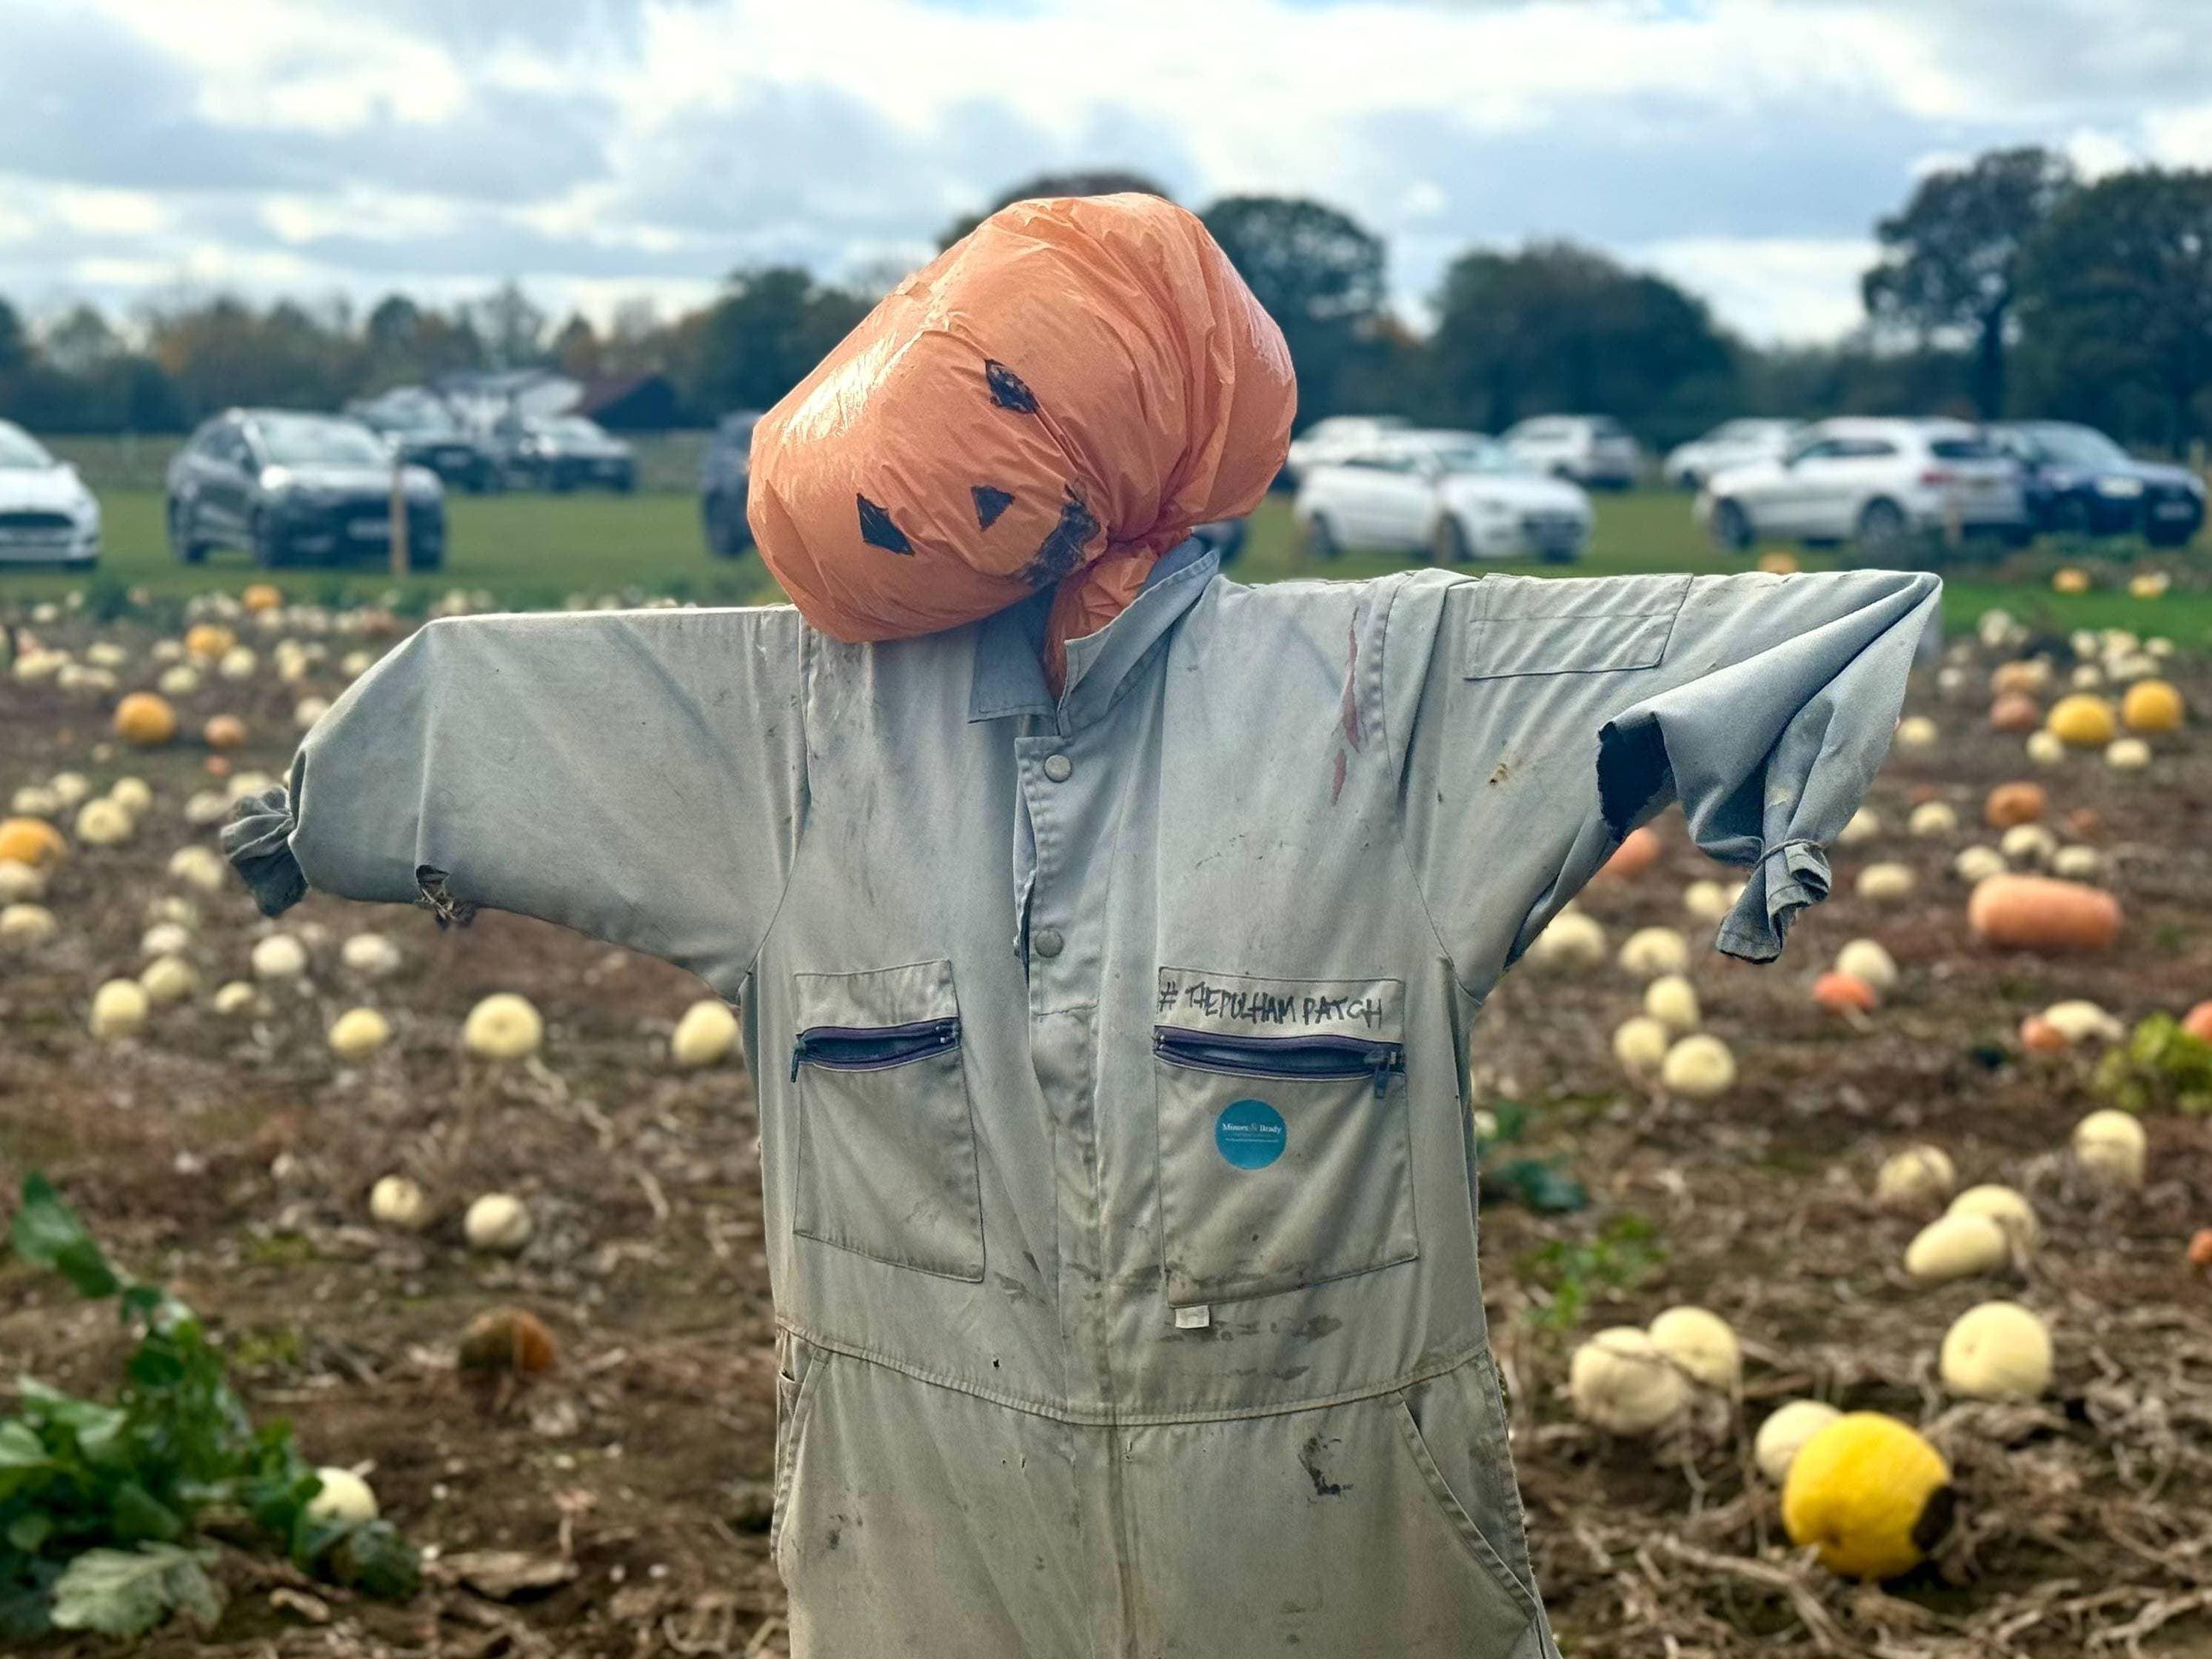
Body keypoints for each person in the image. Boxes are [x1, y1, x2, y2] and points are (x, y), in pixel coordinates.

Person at [227, 194, 1939, 1658]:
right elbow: (498, 695)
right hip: (924, 1530)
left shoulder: (1389, 700)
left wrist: (1783, 794)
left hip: (1325, 1535)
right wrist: (339, 802)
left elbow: (1832, 619)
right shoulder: (798, 736)